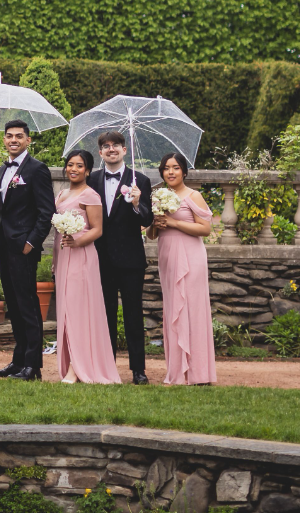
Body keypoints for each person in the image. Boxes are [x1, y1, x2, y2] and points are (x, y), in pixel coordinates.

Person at [0, 118, 56, 381]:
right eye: (9, 136)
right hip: (6, 248)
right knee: (14, 307)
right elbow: (1, 212)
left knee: (28, 307)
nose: (13, 140)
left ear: (28, 140)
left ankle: (32, 366)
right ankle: (17, 362)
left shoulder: (37, 169)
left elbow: (46, 211)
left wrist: (31, 243)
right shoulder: (2, 169)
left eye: (18, 136)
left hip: (24, 249)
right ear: (4, 140)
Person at [52, 150, 120, 385]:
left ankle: (76, 368)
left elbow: (97, 230)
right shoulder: (61, 194)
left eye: (79, 166)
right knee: (67, 311)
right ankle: (72, 361)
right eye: (70, 165)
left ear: (88, 170)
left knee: (79, 311)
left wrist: (77, 240)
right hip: (63, 256)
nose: (73, 169)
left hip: (82, 256)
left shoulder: (91, 195)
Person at [92, 130, 155, 384]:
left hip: (130, 260)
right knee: (104, 313)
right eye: (106, 146)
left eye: (116, 145)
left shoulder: (140, 179)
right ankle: (108, 368)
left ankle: (138, 370)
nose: (111, 149)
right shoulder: (93, 179)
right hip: (101, 258)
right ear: (100, 152)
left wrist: (138, 204)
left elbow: (148, 219)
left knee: (132, 314)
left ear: (124, 150)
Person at [150, 152, 216, 386]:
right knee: (173, 310)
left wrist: (175, 222)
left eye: (176, 168)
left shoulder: (193, 195)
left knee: (192, 310)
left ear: (184, 171)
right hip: (167, 257)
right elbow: (151, 234)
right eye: (166, 168)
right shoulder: (158, 197)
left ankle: (198, 373)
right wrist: (155, 223)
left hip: (191, 257)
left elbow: (205, 229)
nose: (171, 172)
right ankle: (177, 371)